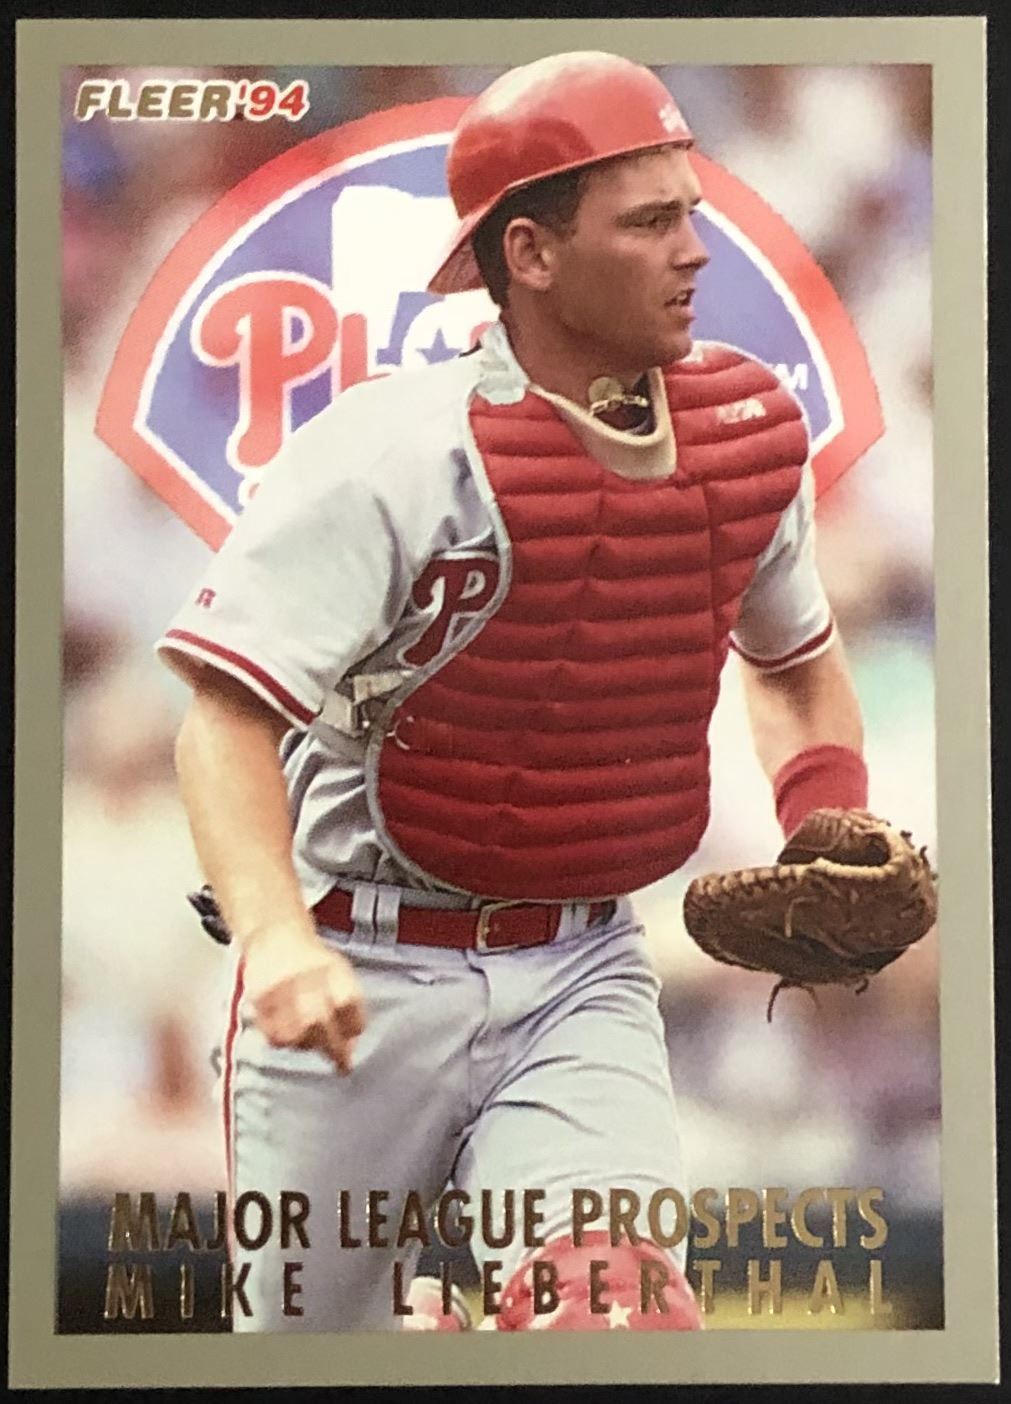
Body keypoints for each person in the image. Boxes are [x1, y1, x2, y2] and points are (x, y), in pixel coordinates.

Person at [159, 51, 871, 1332]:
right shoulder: (388, 453)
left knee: (619, 1316)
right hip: (357, 965)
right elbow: (224, 722)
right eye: (648, 223)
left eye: (691, 211)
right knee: (314, 1363)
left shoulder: (745, 433)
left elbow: (797, 662)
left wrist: (825, 812)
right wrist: (276, 940)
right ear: (530, 254)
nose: (695, 250)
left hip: (581, 963)